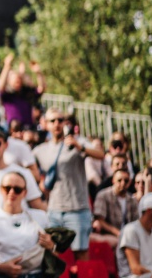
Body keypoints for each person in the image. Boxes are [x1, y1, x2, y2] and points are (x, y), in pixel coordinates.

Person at [32, 108, 104, 261]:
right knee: (54, 254)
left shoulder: (77, 141)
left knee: (81, 255)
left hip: (77, 209)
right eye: (53, 121)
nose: (57, 124)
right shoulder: (40, 150)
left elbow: (101, 155)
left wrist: (80, 147)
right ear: (46, 124)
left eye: (60, 120)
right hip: (54, 210)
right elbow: (28, 169)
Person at [0, 171, 54, 278]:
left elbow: (56, 254)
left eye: (17, 190)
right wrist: (2, 268)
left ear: (25, 193)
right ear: (0, 189)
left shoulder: (40, 217)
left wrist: (51, 246)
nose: (12, 192)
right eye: (7, 188)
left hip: (35, 274)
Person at [92, 168, 140, 250]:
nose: (123, 183)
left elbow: (136, 221)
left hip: (128, 237)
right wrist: (117, 232)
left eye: (126, 180)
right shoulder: (103, 196)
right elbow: (100, 220)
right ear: (113, 181)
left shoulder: (132, 200)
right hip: (109, 235)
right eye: (119, 180)